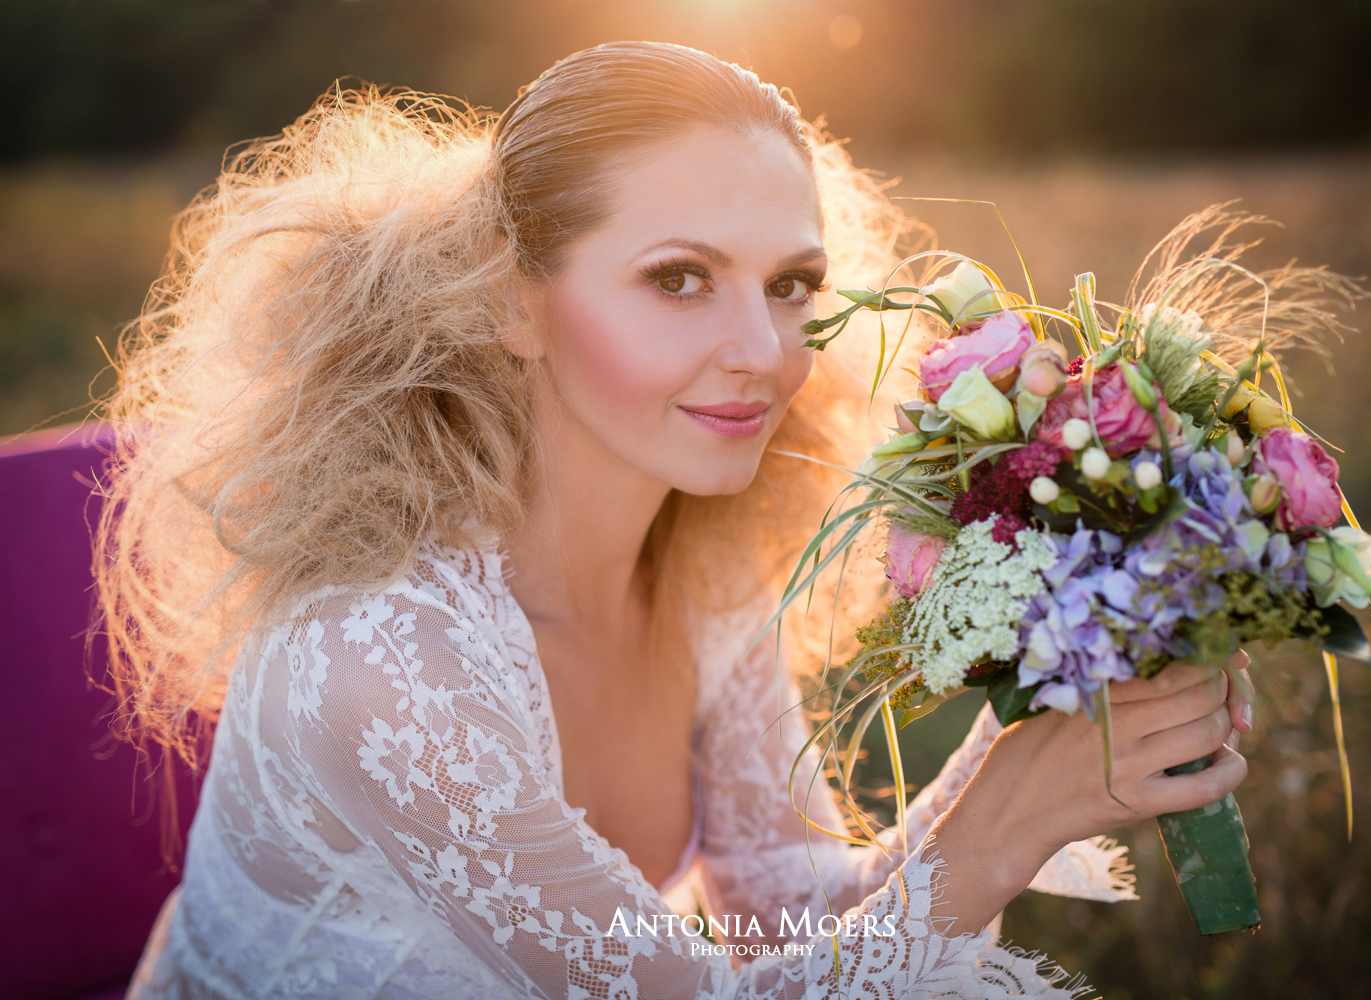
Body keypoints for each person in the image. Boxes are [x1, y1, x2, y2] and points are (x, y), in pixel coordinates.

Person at [102, 41, 1254, 999]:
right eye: (676, 278)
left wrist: (1027, 753)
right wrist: (998, 830)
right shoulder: (385, 661)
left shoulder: (703, 562)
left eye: (792, 285)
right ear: (509, 299)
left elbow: (776, 909)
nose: (763, 353)